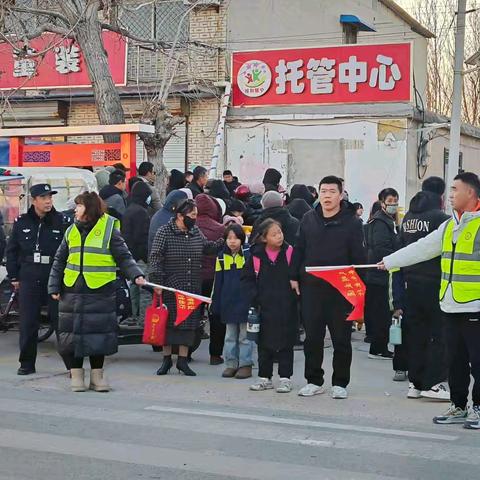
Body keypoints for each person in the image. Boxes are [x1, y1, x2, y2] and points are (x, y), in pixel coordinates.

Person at [380, 172, 480, 429]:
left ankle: (478, 408)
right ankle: (459, 405)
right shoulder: (449, 226)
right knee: (454, 359)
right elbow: (422, 248)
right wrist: (390, 262)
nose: (451, 195)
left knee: (477, 362)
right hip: (448, 303)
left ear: (471, 193)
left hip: (475, 306)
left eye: (456, 189)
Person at [48, 192, 145, 392]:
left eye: (79, 206)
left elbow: (124, 257)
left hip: (100, 292)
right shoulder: (70, 231)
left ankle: (97, 376)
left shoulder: (109, 229)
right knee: (72, 335)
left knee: (98, 336)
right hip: (71, 292)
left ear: (90, 209)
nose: (75, 209)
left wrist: (136, 275)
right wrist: (54, 286)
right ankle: (76, 376)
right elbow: (59, 260)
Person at [290, 176, 366, 399]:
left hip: (341, 290)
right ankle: (314, 380)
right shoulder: (308, 219)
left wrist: (359, 289)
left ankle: (340, 382)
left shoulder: (352, 222)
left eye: (332, 191)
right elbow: (299, 248)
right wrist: (294, 275)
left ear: (341, 195)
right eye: (323, 191)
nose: (327, 196)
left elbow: (359, 257)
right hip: (312, 288)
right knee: (313, 337)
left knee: (341, 338)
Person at [149, 199, 222, 377]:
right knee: (168, 324)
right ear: (180, 216)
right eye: (192, 215)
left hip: (191, 286)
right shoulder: (164, 232)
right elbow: (155, 257)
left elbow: (207, 247)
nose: (195, 219)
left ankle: (182, 360)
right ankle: (166, 360)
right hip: (169, 286)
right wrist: (157, 282)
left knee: (188, 325)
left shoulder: (195, 231)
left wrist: (224, 240)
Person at [6, 184, 71, 375]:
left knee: (61, 321)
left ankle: (72, 365)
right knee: (28, 322)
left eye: (50, 197)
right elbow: (12, 251)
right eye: (43, 197)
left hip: (53, 276)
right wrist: (14, 276)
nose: (48, 200)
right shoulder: (22, 222)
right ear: (34, 200)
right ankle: (26, 364)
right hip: (29, 276)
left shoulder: (61, 221)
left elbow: (69, 251)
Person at [397, 176, 450, 400]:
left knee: (416, 334)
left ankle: (415, 383)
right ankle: (435, 382)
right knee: (439, 335)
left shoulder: (408, 217)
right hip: (435, 283)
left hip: (411, 283)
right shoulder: (442, 219)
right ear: (442, 194)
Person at [243, 219, 297, 393]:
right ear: (264, 238)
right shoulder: (256, 256)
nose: (279, 237)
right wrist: (255, 297)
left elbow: (298, 275)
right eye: (274, 234)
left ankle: (285, 378)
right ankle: (264, 377)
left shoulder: (289, 252)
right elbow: (247, 279)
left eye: (280, 232)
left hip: (286, 306)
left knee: (286, 343)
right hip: (263, 307)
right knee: (263, 343)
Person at [211, 224, 253, 379]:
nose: (232, 241)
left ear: (242, 239)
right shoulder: (221, 257)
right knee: (229, 336)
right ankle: (231, 364)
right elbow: (218, 282)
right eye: (229, 238)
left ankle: (245, 365)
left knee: (245, 337)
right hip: (228, 302)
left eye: (236, 238)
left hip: (246, 302)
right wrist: (215, 303)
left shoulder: (249, 255)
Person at [364, 188, 399, 360]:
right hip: (379, 273)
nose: (393, 204)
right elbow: (380, 247)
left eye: (395, 200)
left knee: (382, 312)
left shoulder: (387, 221)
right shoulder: (380, 222)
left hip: (382, 273)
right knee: (381, 313)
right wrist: (396, 255)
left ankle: (379, 346)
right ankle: (378, 348)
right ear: (382, 202)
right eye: (390, 200)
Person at [195, 194, 226, 365]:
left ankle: (186, 351)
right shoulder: (220, 228)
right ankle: (215, 354)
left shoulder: (190, 226)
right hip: (213, 278)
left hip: (193, 277)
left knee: (191, 314)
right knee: (215, 317)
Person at [121, 181, 152, 324]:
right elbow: (142, 237)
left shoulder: (129, 209)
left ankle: (135, 315)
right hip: (140, 257)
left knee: (134, 287)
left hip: (130, 256)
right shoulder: (141, 212)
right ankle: (144, 320)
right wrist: (146, 257)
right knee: (145, 289)